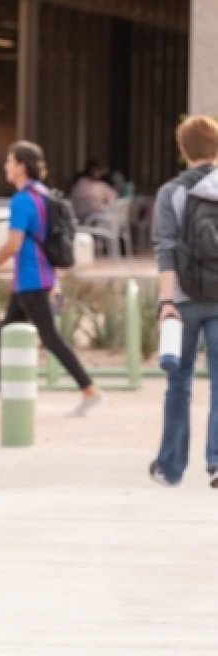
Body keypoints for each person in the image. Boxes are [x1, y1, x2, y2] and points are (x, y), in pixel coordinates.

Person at [0, 142, 105, 417]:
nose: (5, 166)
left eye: (9, 161)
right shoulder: (42, 195)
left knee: (51, 338)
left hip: (31, 280)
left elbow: (13, 244)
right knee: (8, 334)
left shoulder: (21, 200)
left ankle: (90, 389)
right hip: (35, 278)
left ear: (21, 165)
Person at [150, 116, 218, 488]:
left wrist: (166, 303)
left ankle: (171, 466)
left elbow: (166, 250)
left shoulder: (171, 193)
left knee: (179, 383)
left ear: (182, 149)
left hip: (184, 300)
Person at [67, 157, 118, 222]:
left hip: (80, 220)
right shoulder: (86, 184)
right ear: (92, 170)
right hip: (91, 219)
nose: (102, 173)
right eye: (100, 170)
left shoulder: (78, 182)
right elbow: (112, 199)